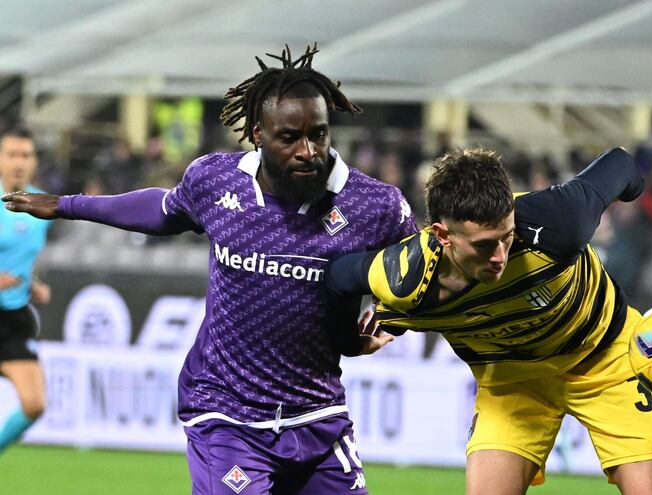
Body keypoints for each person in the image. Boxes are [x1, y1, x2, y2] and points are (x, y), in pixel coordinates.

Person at [3, 44, 417, 494]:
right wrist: (67, 205)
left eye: (319, 134)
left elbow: (421, 269)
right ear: (258, 134)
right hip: (225, 414)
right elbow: (162, 211)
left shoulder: (375, 205)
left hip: (318, 416)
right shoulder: (217, 181)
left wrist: (392, 317)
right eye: (290, 137)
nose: (308, 150)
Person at [325, 147, 652, 494]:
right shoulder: (406, 280)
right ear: (442, 235)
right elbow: (338, 277)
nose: (499, 256)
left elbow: (621, 163)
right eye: (484, 245)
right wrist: (348, 342)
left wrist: (637, 192)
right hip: (511, 381)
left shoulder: (558, 221)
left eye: (507, 237)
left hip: (607, 359)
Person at [0, 126, 52, 453]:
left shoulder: (41, 210)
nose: (19, 162)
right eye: (12, 154)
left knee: (34, 404)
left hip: (12, 321)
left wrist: (32, 286)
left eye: (26, 155)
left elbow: (23, 259)